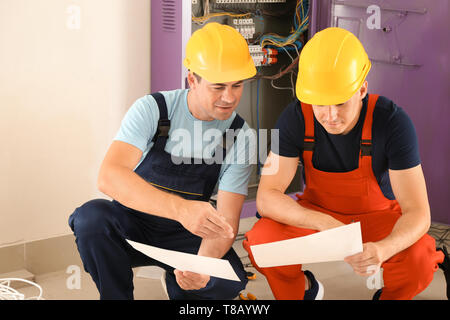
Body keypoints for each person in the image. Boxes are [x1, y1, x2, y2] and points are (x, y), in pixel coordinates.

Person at [243, 27, 448, 300]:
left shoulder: (392, 122)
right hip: (318, 213)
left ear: (362, 87)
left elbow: (418, 212)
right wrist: (322, 222)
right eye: (320, 104)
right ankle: (302, 292)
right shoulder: (295, 117)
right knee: (261, 243)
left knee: (420, 259)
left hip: (378, 217)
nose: (330, 116)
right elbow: (267, 197)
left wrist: (384, 249)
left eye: (340, 103)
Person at [68, 22, 257, 300]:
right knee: (91, 219)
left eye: (237, 85)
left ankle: (180, 285)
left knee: (228, 280)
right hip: (133, 224)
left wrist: (200, 268)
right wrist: (181, 210)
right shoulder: (153, 110)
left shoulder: (242, 136)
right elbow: (109, 176)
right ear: (192, 80)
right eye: (218, 87)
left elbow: (226, 221)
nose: (229, 98)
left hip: (189, 237)